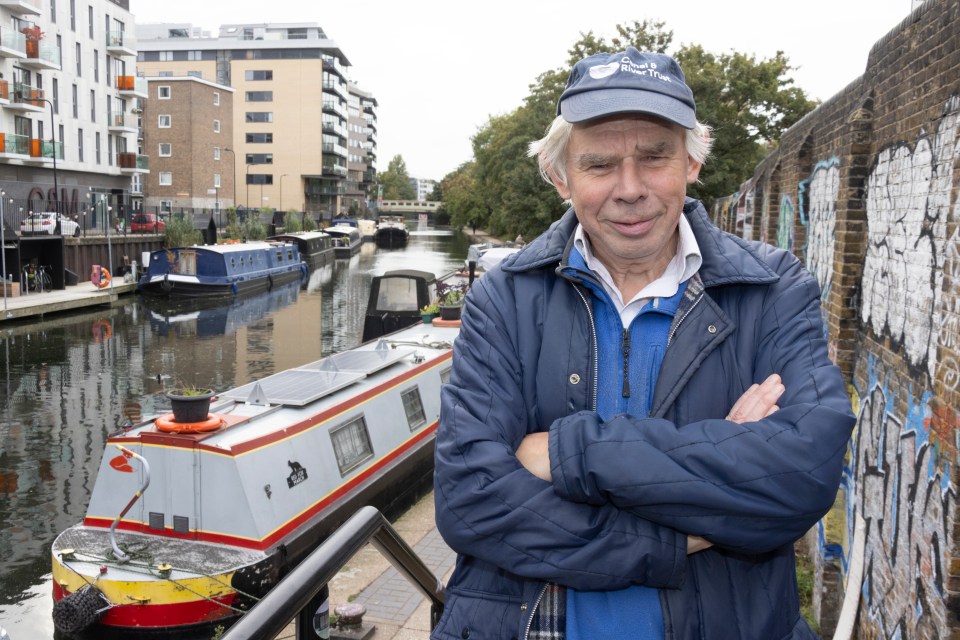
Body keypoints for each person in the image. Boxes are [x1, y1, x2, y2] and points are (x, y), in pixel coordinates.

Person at [432, 47, 855, 640]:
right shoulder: (505, 297)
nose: (629, 189)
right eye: (600, 165)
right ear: (562, 177)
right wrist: (691, 525)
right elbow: (470, 501)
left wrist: (565, 454)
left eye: (654, 157)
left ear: (692, 163)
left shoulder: (771, 289)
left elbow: (800, 477)